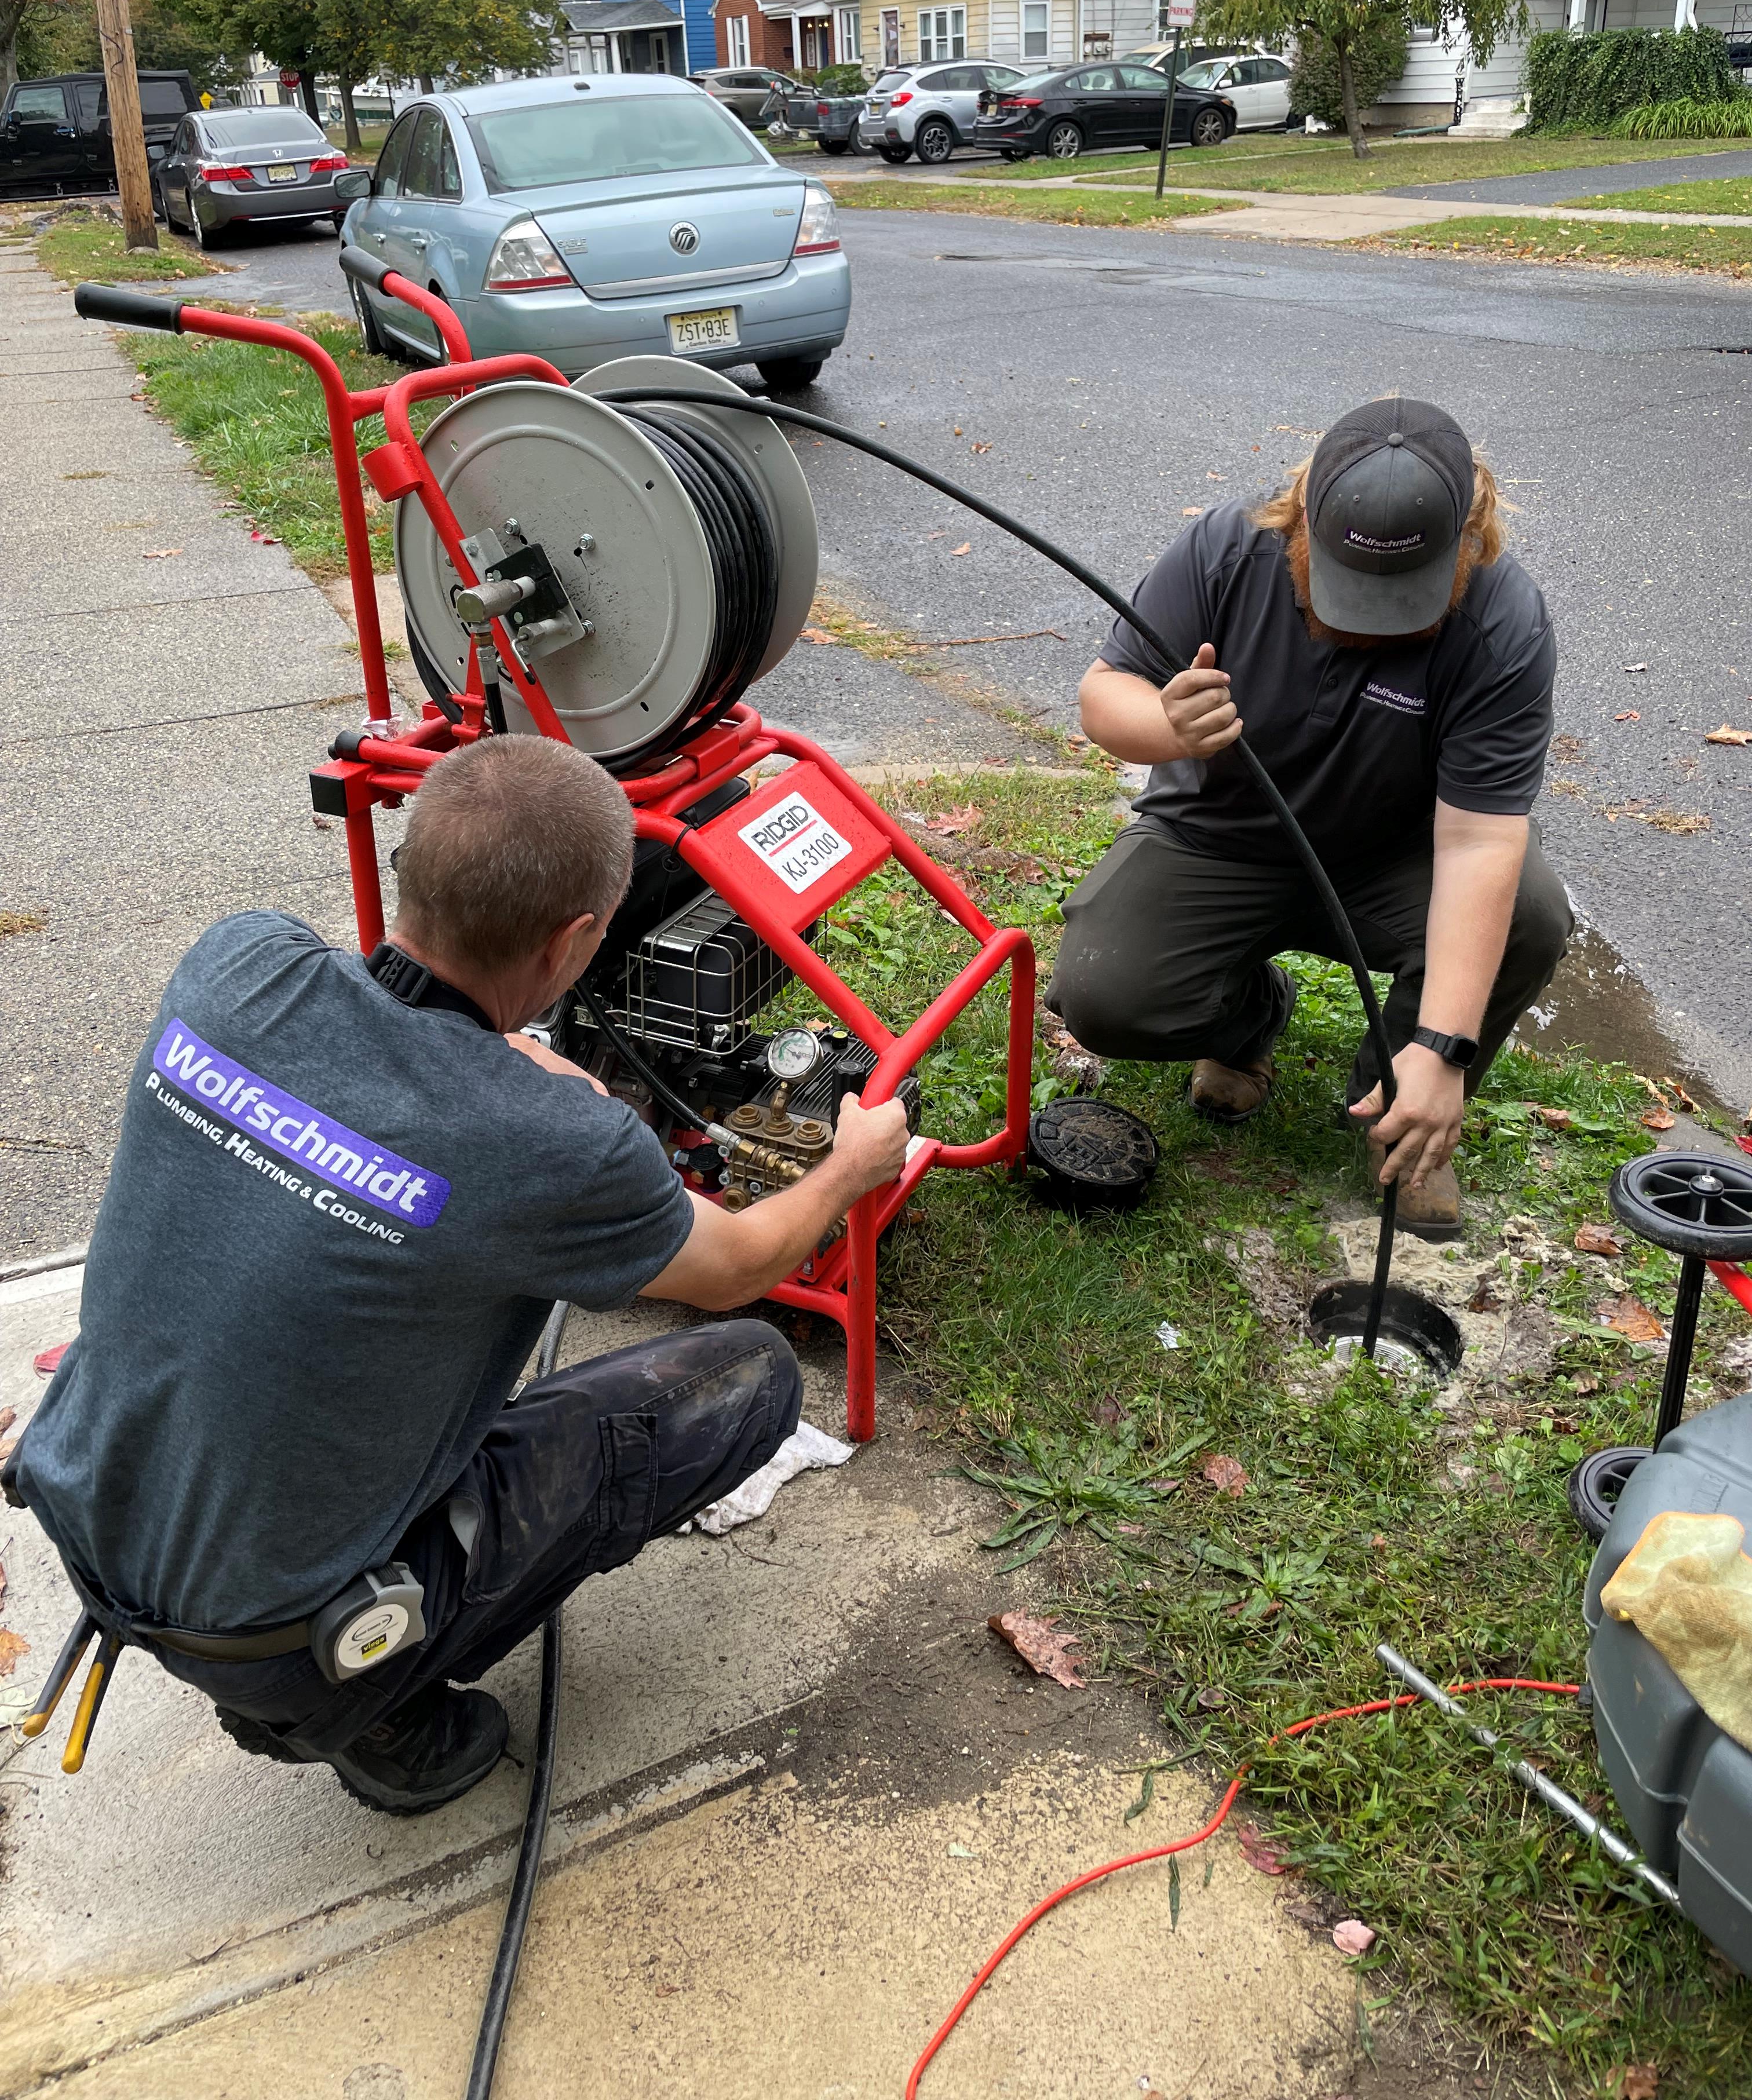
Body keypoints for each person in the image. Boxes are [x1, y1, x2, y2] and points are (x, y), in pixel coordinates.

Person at [8, 737, 909, 1812]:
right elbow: (748, 1263)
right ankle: (367, 1704)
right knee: (749, 1377)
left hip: (83, 1500)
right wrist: (853, 1166)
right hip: (276, 1638)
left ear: (407, 869)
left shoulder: (237, 964)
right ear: (577, 938)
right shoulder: (555, 1148)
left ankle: (293, 1646)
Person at [1048, 396, 1571, 1239]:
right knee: (1103, 995)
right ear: (1301, 522)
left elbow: (1479, 844)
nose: (1363, 623)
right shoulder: (1225, 547)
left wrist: (1446, 1051)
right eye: (1347, 589)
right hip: (1216, 839)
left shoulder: (1504, 621)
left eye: (1400, 600)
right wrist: (1167, 726)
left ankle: (1404, 1116)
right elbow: (1104, 693)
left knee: (1530, 915)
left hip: (1397, 863)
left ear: (1465, 545)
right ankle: (1250, 1018)